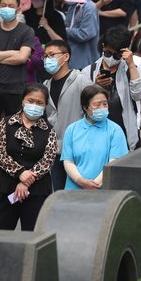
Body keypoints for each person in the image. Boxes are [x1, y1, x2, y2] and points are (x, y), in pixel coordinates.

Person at [0, 83, 57, 230]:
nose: (34, 105)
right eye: (31, 101)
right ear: (23, 101)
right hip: (7, 187)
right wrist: (20, 173)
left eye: (39, 103)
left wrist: (26, 182)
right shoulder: (7, 123)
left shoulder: (49, 130)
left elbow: (48, 159)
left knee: (33, 236)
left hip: (37, 190)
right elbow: (0, 152)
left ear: (45, 106)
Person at [0, 0, 35, 169]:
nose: (6, 9)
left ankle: (15, 169)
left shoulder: (26, 31)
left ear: (19, 8)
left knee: (16, 133)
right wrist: (13, 52)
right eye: (3, 5)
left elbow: (22, 58)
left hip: (16, 89)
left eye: (11, 6)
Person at [81, 26, 141, 150]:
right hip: (95, 137)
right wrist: (95, 87)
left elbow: (140, 95)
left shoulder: (131, 69)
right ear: (102, 47)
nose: (111, 58)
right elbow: (82, 105)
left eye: (116, 55)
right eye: (107, 53)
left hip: (125, 135)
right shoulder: (89, 71)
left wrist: (132, 65)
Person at [42, 40, 92, 190]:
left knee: (77, 193)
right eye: (45, 56)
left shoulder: (81, 80)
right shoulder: (46, 85)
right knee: (57, 192)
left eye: (51, 55)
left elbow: (93, 111)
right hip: (55, 151)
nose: (47, 60)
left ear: (66, 57)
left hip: (78, 150)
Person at [61, 85, 128, 189]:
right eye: (97, 105)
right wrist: (81, 181)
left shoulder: (115, 130)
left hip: (103, 190)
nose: (102, 108)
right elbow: (68, 161)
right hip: (74, 190)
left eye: (105, 104)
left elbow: (114, 161)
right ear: (85, 107)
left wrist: (95, 184)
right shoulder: (72, 130)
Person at [65, 0, 100, 69]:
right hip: (71, 58)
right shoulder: (73, 6)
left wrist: (66, 30)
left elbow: (85, 34)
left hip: (84, 62)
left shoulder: (89, 7)